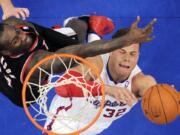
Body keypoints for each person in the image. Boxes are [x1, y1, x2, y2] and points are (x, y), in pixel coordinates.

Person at [0, 16, 156, 107]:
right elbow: (82, 51)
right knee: (78, 56)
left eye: (17, 32)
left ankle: (72, 26)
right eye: (15, 40)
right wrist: (124, 40)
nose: (23, 36)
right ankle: (88, 30)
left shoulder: (13, 23)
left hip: (42, 41)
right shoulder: (37, 64)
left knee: (71, 40)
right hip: (23, 94)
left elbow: (15, 28)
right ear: (6, 51)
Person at [44, 27, 157, 135]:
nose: (127, 58)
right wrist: (106, 89)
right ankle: (71, 33)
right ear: (111, 50)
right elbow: (62, 87)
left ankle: (94, 33)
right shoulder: (95, 63)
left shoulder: (141, 83)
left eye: (133, 54)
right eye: (122, 52)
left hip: (96, 126)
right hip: (67, 116)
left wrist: (167, 98)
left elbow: (159, 103)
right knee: (88, 52)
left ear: (138, 55)